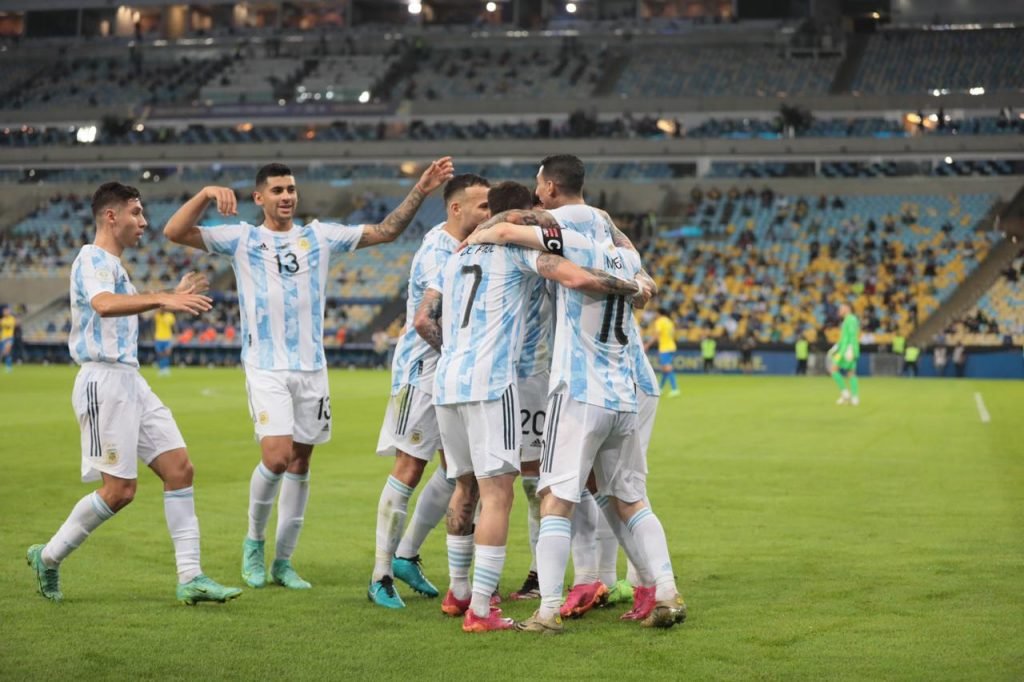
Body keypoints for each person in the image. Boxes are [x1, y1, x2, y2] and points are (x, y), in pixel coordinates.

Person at [163, 158, 454, 591]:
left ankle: (283, 561)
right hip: (266, 365)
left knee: (301, 461)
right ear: (259, 197)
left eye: (291, 189)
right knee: (276, 456)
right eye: (277, 190)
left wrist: (422, 189)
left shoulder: (319, 236)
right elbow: (174, 231)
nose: (286, 197)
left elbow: (386, 231)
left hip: (312, 368)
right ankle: (254, 543)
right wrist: (206, 194)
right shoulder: (242, 239)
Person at [414, 207, 644, 634]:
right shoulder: (516, 254)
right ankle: (481, 610)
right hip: (491, 384)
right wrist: (633, 284)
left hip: (447, 382)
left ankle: (459, 590)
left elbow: (425, 316)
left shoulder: (454, 257)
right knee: (498, 494)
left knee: (462, 485)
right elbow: (576, 278)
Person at [462, 214, 684, 633]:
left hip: (579, 394)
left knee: (555, 500)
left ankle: (547, 611)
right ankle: (667, 591)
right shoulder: (629, 260)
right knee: (632, 500)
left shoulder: (575, 246)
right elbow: (638, 272)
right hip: (623, 397)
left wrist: (478, 234)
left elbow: (507, 232)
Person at [26, 182, 241, 605]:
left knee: (180, 469)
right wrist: (163, 298)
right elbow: (103, 305)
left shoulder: (116, 268)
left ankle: (191, 577)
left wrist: (172, 294)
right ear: (112, 216)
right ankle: (48, 557)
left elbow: (119, 305)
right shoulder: (92, 258)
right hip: (103, 382)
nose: (144, 222)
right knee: (120, 491)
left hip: (131, 380)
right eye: (136, 213)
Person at [369, 173, 492, 609]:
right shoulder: (437, 252)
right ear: (456, 208)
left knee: (461, 473)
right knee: (409, 467)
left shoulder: (468, 246)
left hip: (451, 375)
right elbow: (425, 322)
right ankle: (380, 575)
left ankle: (406, 556)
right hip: (421, 371)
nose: (489, 212)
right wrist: (457, 353)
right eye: (483, 206)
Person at [832, 303, 861, 405]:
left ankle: (847, 394)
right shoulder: (847, 320)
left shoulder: (851, 319)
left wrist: (852, 350)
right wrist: (837, 346)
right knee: (850, 372)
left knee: (835, 369)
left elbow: (853, 336)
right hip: (844, 349)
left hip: (847, 350)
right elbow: (844, 337)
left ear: (847, 309)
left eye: (841, 308)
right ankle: (852, 396)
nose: (839, 310)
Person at [647, 308, 679, 396]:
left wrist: (647, 345)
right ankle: (660, 388)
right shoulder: (669, 321)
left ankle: (675, 389)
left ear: (658, 313)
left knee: (667, 368)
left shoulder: (660, 321)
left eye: (655, 313)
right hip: (672, 346)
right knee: (665, 369)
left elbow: (657, 335)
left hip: (665, 348)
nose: (655, 315)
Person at [153, 308, 176, 376]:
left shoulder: (170, 316)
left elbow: (174, 327)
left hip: (168, 337)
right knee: (160, 354)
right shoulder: (157, 315)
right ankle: (161, 368)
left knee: (167, 353)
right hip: (158, 337)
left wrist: (175, 336)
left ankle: (166, 368)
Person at [0, 305, 15, 373]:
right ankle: (8, 366)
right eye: (4, 311)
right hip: (2, 338)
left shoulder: (11, 318)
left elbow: (8, 326)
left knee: (7, 352)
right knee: (4, 353)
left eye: (7, 311)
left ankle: (9, 367)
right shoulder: (2, 319)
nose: (5, 312)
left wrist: (3, 323)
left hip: (9, 338)